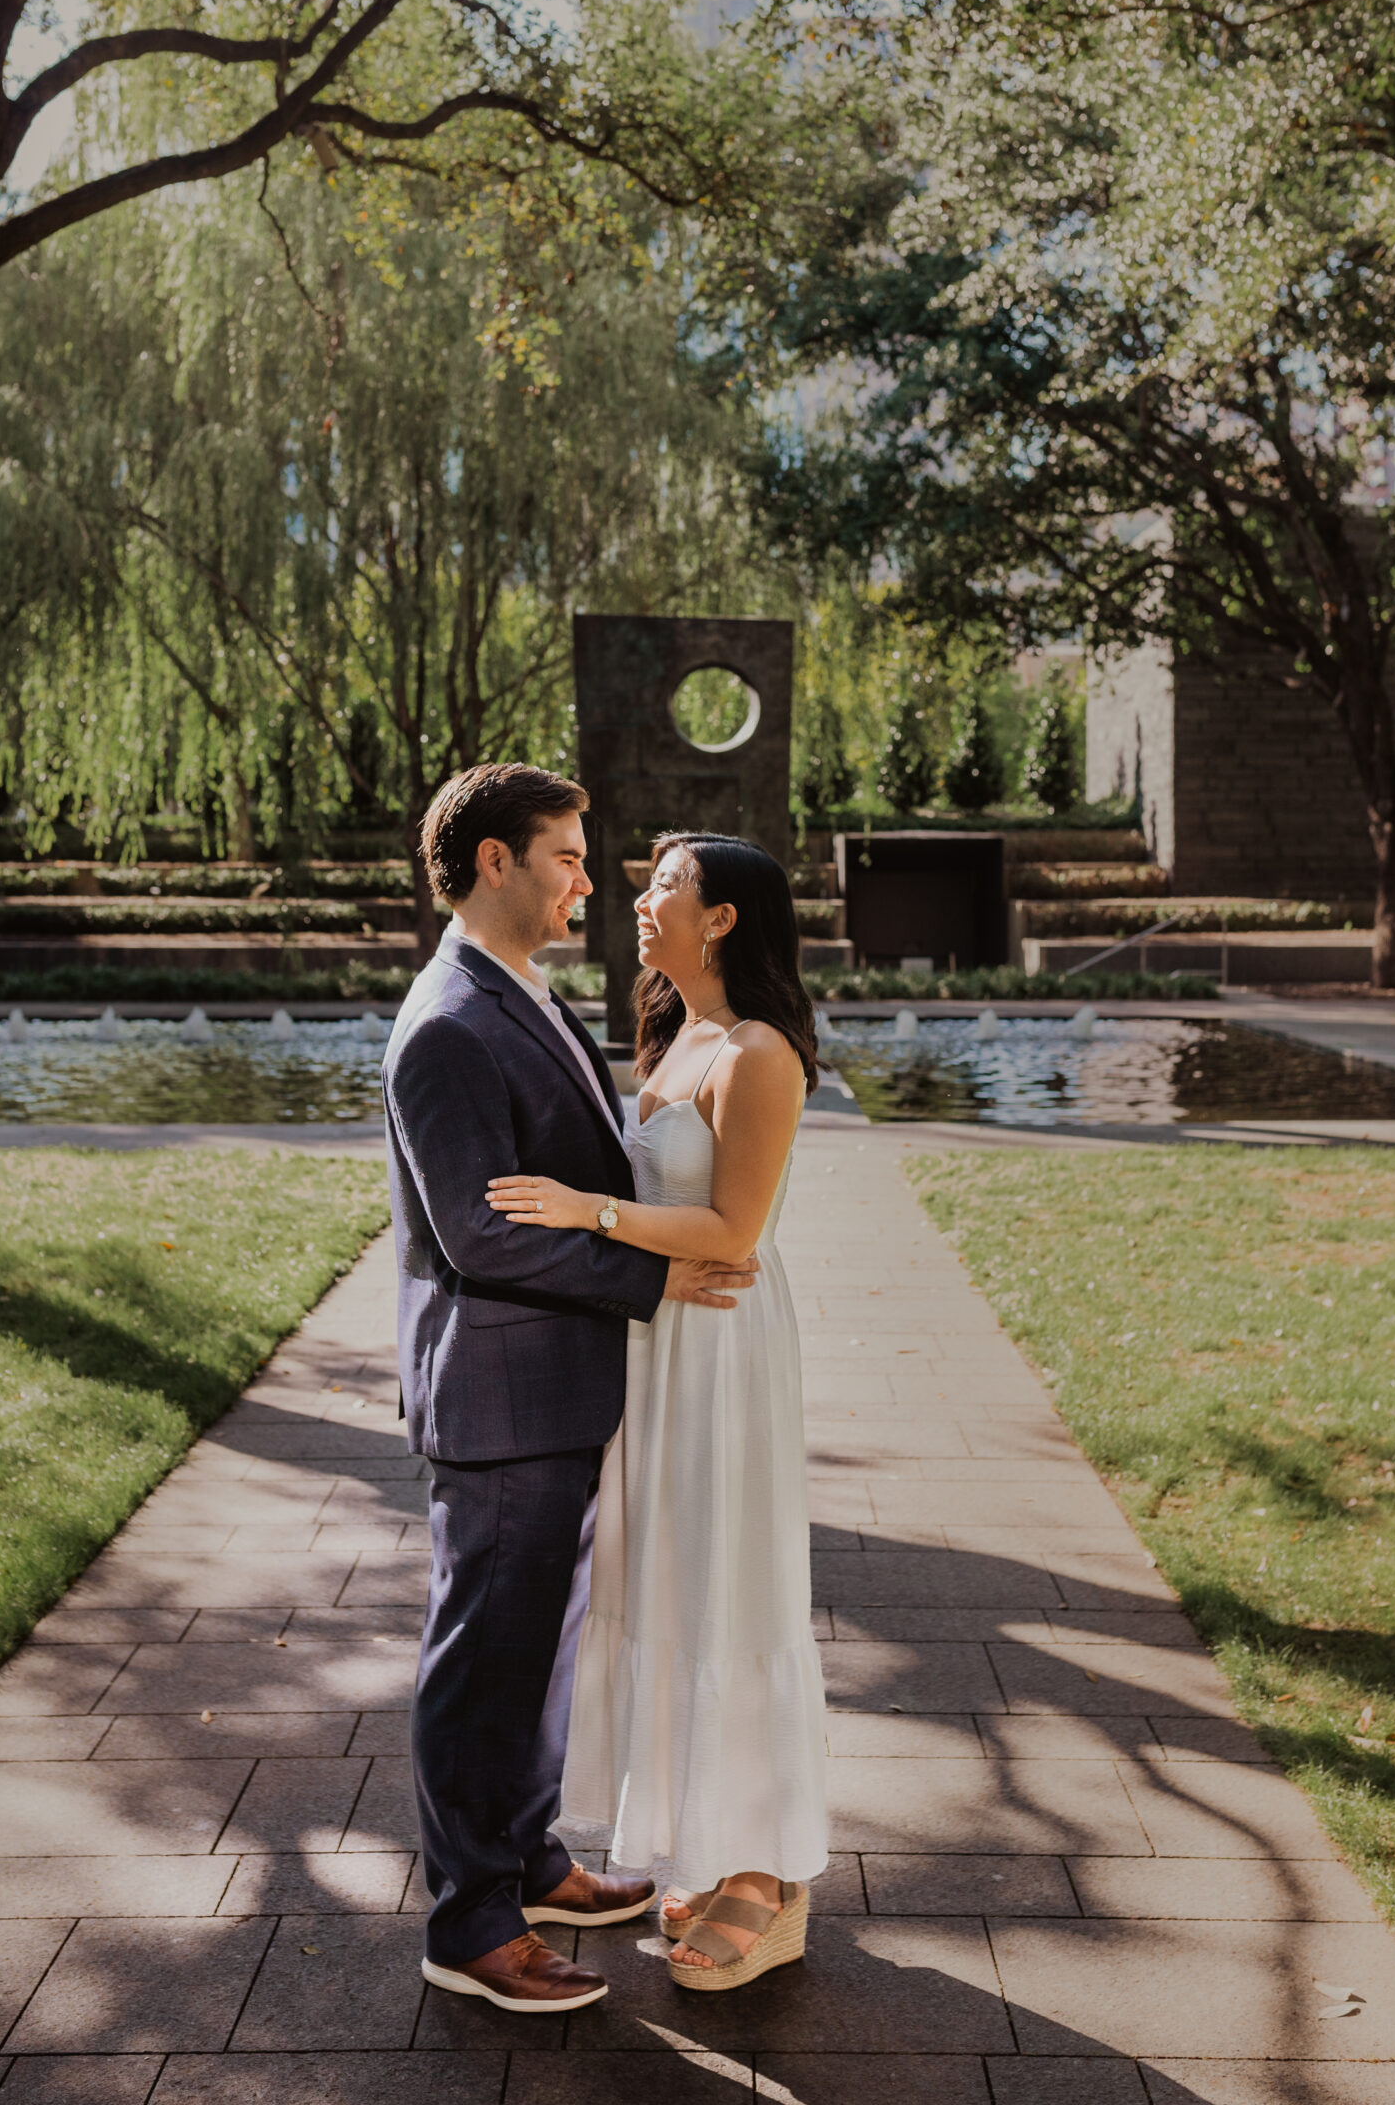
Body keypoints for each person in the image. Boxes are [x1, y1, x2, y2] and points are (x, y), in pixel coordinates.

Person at [383, 766, 760, 2018]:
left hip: (552, 1395)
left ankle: (529, 1859)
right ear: (495, 861)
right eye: (565, 855)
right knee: (481, 1664)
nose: (587, 879)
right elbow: (481, 1238)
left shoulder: (516, 988)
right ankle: (471, 1924)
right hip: (497, 1399)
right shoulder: (447, 1021)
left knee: (537, 1650)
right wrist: (653, 1279)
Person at [488, 831, 828, 1993]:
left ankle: (771, 1876)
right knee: (668, 1581)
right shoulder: (674, 1037)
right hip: (658, 1339)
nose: (639, 899)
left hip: (722, 1345)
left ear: (723, 916)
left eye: (664, 886)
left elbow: (734, 1232)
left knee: (732, 1584)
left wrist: (589, 1212)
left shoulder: (758, 1052)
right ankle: (709, 1835)